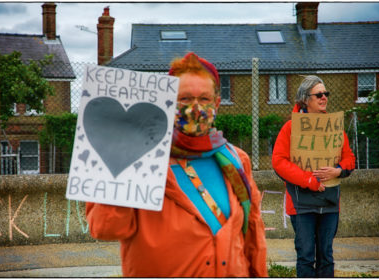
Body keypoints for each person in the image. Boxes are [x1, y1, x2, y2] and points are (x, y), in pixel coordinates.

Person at [86, 52, 268, 277]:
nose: (195, 109)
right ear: (168, 102)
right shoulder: (142, 157)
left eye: (204, 99)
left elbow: (253, 236)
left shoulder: (237, 160)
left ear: (217, 103)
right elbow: (105, 228)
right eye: (185, 99)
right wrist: (120, 158)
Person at [272, 75, 356, 277]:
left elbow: (349, 158)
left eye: (325, 93)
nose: (324, 97)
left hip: (329, 202)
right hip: (301, 204)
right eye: (319, 94)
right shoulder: (290, 128)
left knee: (326, 256)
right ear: (305, 99)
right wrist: (308, 180)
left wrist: (338, 170)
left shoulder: (334, 127)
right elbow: (279, 162)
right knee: (306, 256)